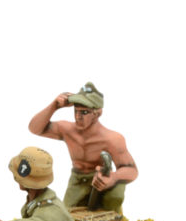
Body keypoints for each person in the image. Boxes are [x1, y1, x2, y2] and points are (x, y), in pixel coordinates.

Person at [28, 83, 137, 213]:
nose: (78, 117)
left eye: (84, 112)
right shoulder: (67, 130)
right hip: (77, 181)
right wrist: (54, 106)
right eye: (76, 111)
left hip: (100, 180)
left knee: (109, 213)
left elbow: (131, 170)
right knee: (67, 217)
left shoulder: (112, 139)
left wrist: (113, 178)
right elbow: (35, 128)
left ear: (97, 113)